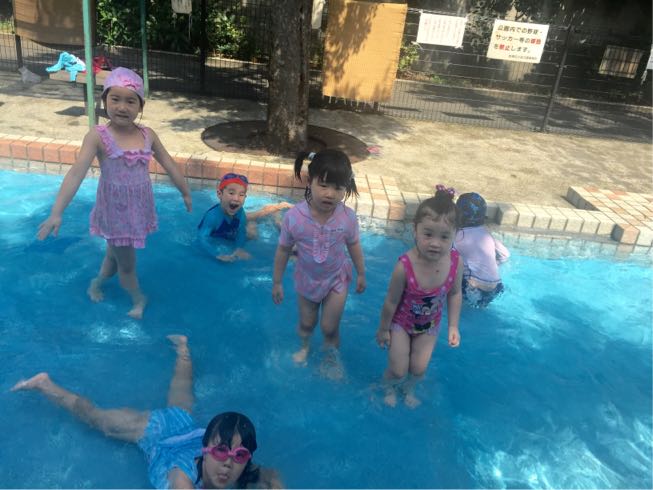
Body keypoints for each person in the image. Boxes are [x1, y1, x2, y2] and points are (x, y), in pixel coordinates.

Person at [11, 335, 282, 489]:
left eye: (239, 455)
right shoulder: (183, 479)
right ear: (206, 449)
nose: (228, 464)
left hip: (184, 426)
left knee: (182, 394)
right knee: (98, 420)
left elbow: (271, 476)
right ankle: (45, 384)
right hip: (156, 433)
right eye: (221, 451)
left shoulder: (241, 468)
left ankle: (183, 350)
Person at [36, 67, 192, 319]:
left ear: (140, 106)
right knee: (127, 266)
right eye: (115, 99)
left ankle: (96, 283)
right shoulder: (98, 136)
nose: (122, 107)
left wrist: (185, 191)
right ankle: (138, 298)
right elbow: (76, 173)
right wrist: (57, 212)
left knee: (114, 255)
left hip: (137, 210)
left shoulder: (147, 135)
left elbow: (169, 163)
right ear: (104, 100)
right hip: (115, 214)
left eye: (130, 101)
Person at [272, 149, 366, 380]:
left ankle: (331, 357)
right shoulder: (294, 217)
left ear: (346, 188)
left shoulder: (347, 217)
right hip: (307, 279)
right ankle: (304, 347)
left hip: (336, 279)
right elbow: (283, 249)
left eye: (338, 188)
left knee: (329, 327)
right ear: (309, 181)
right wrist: (277, 282)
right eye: (323, 185)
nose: (330, 194)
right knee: (307, 324)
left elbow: (353, 244)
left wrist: (361, 273)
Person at [375, 185, 463, 408]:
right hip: (401, 324)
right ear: (415, 230)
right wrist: (384, 329)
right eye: (428, 234)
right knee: (398, 369)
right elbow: (391, 301)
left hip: (429, 325)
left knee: (418, 369)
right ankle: (388, 387)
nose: (435, 243)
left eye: (444, 237)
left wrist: (453, 326)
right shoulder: (404, 266)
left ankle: (409, 389)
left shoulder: (455, 262)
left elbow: (455, 293)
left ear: (455, 235)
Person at [197, 172, 291, 262]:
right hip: (226, 232)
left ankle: (274, 211)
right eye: (231, 193)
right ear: (219, 194)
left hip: (229, 231)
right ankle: (273, 209)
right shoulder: (212, 217)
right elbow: (202, 239)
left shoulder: (240, 212)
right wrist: (216, 254)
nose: (236, 198)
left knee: (253, 234)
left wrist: (239, 248)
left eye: (241, 195)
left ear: (245, 197)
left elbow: (241, 232)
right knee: (253, 225)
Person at [454, 192, 509, 308]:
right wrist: (493, 263)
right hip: (496, 286)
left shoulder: (458, 236)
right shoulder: (486, 234)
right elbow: (505, 255)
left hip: (473, 286)